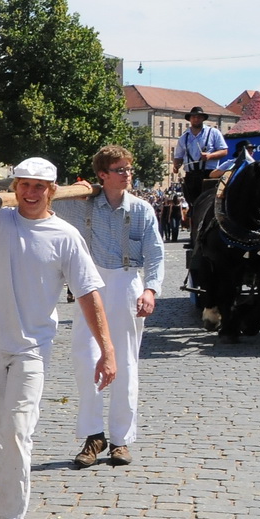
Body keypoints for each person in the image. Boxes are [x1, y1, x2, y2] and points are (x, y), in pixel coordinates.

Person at [0, 158, 115, 519]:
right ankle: (6, 497)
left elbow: (90, 294)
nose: (30, 192)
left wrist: (107, 349)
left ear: (52, 191)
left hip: (31, 349)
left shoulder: (66, 236)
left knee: (18, 430)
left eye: (39, 186)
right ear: (15, 186)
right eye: (24, 184)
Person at [54, 146, 164, 468]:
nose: (128, 174)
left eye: (129, 168)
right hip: (90, 286)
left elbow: (156, 253)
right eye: (120, 169)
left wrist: (151, 289)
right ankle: (93, 435)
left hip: (127, 283)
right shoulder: (82, 206)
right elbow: (46, 199)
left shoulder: (142, 209)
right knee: (85, 358)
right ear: (103, 174)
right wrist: (76, 189)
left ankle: (120, 440)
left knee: (126, 363)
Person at [173, 106, 228, 208]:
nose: (196, 119)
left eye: (199, 117)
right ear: (190, 119)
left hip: (209, 174)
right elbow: (178, 156)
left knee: (209, 204)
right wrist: (176, 166)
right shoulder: (183, 137)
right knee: (193, 205)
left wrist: (210, 156)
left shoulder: (213, 133)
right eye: (194, 117)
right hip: (191, 176)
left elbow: (224, 151)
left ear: (203, 118)